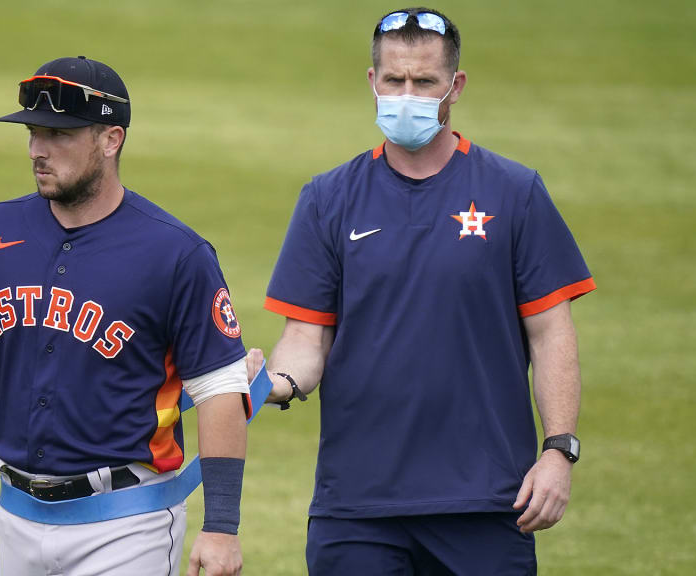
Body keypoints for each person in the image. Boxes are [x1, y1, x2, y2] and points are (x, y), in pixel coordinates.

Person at [248, 8, 595, 574]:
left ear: (454, 86)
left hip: (485, 503)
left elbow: (552, 332)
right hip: (356, 509)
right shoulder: (327, 199)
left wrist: (559, 451)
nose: (405, 95)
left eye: (424, 82)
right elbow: (306, 340)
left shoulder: (514, 191)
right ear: (372, 81)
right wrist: (272, 385)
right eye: (394, 80)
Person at [0, 56, 250, 576]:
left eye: (59, 133)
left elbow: (219, 391)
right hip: (16, 517)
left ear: (111, 139)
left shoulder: (175, 254)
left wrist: (221, 527)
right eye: (33, 132)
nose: (37, 150)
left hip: (129, 526)